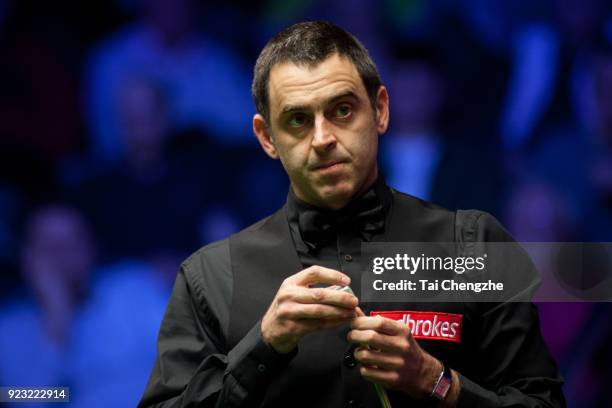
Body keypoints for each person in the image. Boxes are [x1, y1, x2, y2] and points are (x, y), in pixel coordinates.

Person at [139, 21, 565, 407]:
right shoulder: (211, 277)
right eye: (298, 120)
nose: (323, 138)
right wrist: (263, 345)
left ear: (380, 110)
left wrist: (434, 380)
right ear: (267, 137)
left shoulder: (473, 245)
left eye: (342, 110)